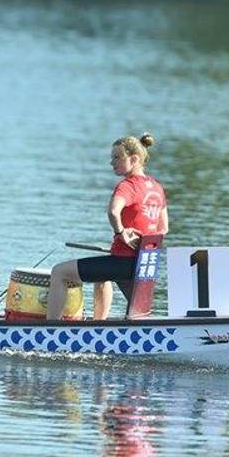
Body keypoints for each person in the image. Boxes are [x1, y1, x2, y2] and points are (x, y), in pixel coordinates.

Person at [47, 133, 168, 320]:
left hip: (123, 263)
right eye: (112, 157)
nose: (112, 162)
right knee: (101, 276)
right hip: (144, 264)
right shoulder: (156, 187)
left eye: (117, 157)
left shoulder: (128, 186)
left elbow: (113, 212)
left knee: (59, 272)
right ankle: (99, 324)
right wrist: (141, 243)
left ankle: (49, 330)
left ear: (134, 159)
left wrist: (121, 233)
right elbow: (163, 228)